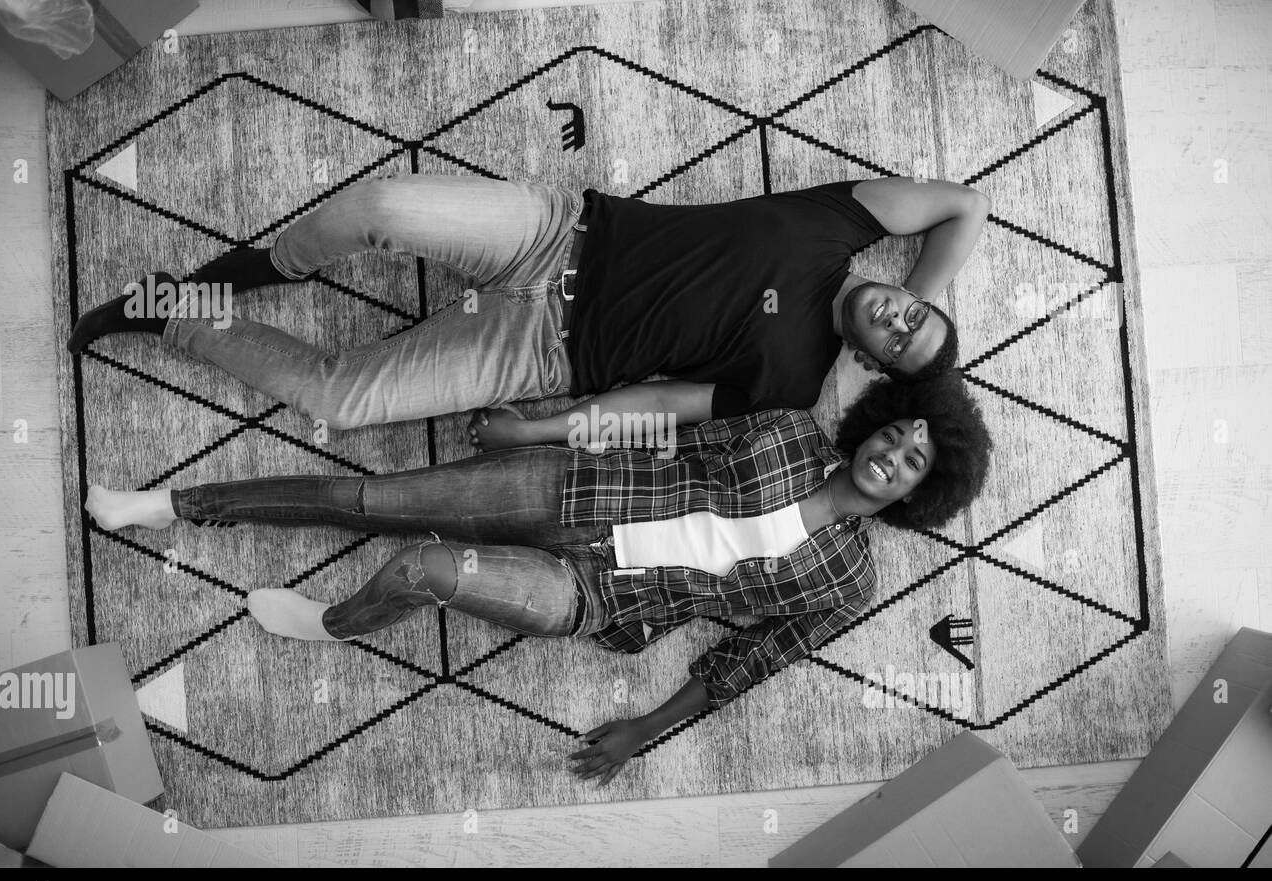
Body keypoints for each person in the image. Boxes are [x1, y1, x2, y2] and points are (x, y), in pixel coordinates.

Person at [85, 373, 992, 786]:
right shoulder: (793, 431)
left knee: (420, 566)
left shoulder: (847, 582)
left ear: (921, 491)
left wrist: (644, 728)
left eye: (914, 460)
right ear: (873, 423)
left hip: (597, 595)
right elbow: (656, 428)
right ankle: (168, 504)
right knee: (369, 499)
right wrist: (536, 432)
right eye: (896, 433)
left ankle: (332, 624)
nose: (892, 453)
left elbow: (750, 662)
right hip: (573, 484)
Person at [66, 173, 989, 439]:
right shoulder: (840, 225)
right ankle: (271, 264)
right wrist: (924, 297)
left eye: (900, 341)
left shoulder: (794, 382)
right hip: (557, 236)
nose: (897, 320)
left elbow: (662, 405)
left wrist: (551, 425)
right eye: (912, 315)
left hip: (541, 352)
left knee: (339, 402)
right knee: (380, 210)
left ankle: (169, 316)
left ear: (872, 364)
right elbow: (964, 206)